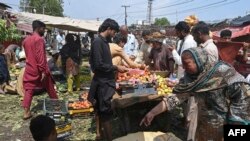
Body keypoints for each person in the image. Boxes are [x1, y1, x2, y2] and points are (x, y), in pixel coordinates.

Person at [140, 47, 250, 141]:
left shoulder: (223, 73)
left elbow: (243, 99)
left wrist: (235, 130)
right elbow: (176, 98)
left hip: (228, 126)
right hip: (205, 126)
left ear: (199, 60)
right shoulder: (192, 79)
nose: (183, 67)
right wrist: (152, 113)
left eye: (186, 64)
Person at [88, 18, 127, 141]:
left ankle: (104, 136)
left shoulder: (104, 42)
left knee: (103, 112)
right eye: (114, 32)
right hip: (102, 84)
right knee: (105, 114)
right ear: (109, 29)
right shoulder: (97, 42)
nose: (115, 35)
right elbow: (98, 65)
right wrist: (116, 67)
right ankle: (109, 138)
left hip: (105, 82)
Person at [22, 20, 58, 120]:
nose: (44, 31)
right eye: (43, 29)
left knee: (29, 90)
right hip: (39, 69)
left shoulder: (25, 40)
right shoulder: (39, 39)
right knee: (50, 87)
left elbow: (29, 55)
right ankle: (57, 107)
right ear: (38, 28)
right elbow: (40, 56)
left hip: (29, 68)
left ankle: (26, 112)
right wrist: (42, 70)